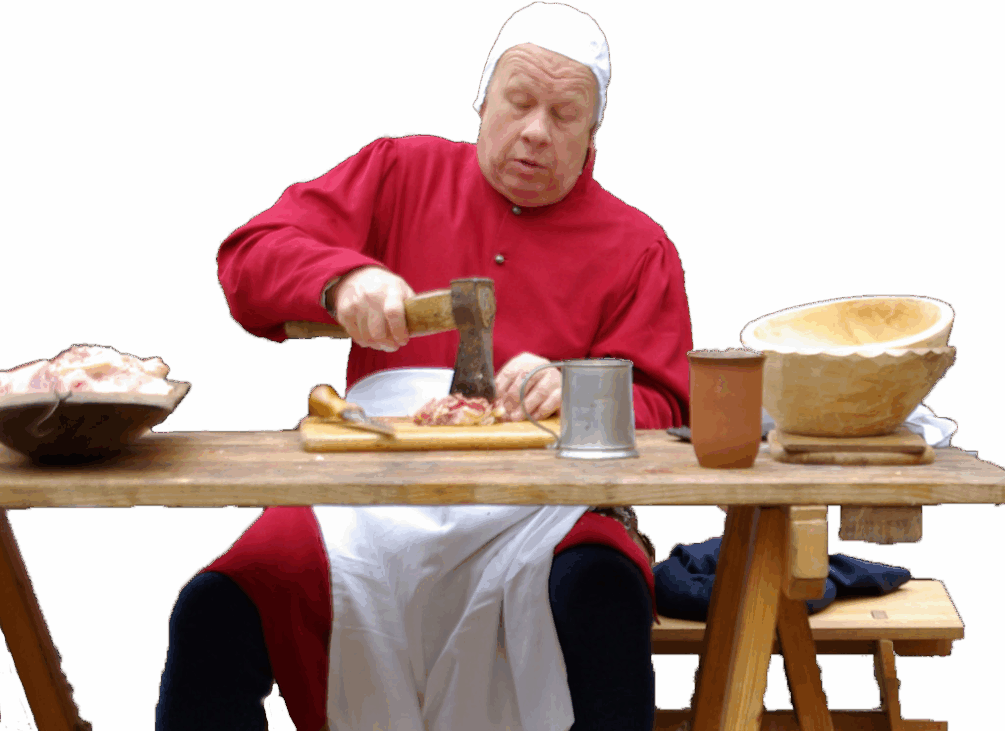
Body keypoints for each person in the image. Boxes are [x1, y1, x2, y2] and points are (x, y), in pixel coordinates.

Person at [156, 4, 692, 731]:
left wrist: (580, 391)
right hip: (368, 488)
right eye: (519, 101)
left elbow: (668, 407)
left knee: (605, 592)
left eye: (565, 115)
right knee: (217, 608)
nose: (537, 130)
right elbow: (250, 259)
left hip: (545, 501)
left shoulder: (639, 246)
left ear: (594, 131)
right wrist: (340, 279)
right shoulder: (399, 170)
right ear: (482, 100)